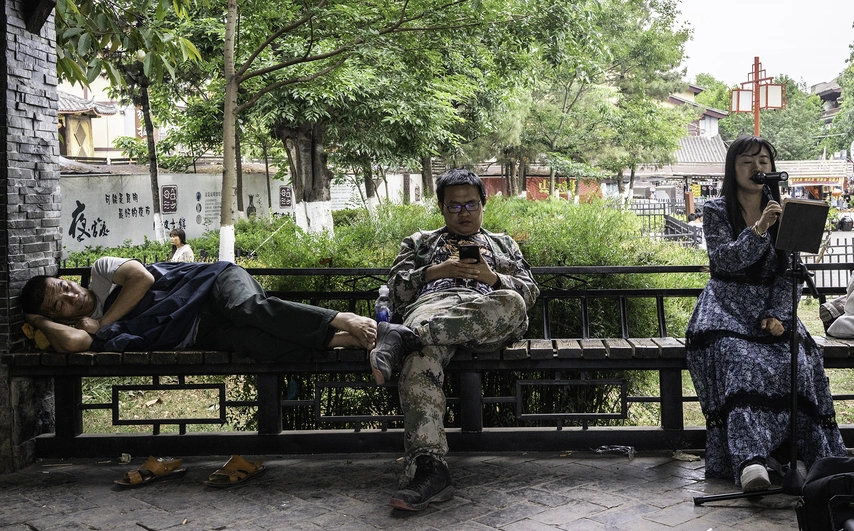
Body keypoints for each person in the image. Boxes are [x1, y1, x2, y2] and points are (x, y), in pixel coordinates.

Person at [369, 168, 539, 511]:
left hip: (486, 314)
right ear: (441, 208)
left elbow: (529, 292)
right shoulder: (419, 243)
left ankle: (404, 339)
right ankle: (429, 470)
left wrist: (492, 278)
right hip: (433, 307)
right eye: (454, 206)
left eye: (471, 204)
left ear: (483, 204)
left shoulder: (503, 244)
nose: (464, 213)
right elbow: (397, 289)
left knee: (512, 302)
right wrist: (437, 271)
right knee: (420, 359)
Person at [685, 136, 846, 492]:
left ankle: (794, 454)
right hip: (726, 309)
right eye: (747, 161)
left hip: (772, 311)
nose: (756, 168)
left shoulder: (788, 212)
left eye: (763, 161)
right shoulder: (715, 210)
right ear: (732, 169)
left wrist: (779, 315)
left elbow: (790, 272)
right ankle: (750, 461)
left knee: (798, 361)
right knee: (740, 359)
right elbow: (724, 261)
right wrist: (759, 230)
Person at [19, 257, 377, 359]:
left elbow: (141, 278)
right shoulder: (79, 326)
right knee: (251, 343)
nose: (71, 297)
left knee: (247, 308)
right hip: (197, 331)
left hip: (212, 285)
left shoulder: (101, 272)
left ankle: (339, 318)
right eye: (59, 305)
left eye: (63, 287)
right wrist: (36, 319)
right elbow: (75, 344)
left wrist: (103, 323)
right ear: (56, 316)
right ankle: (339, 339)